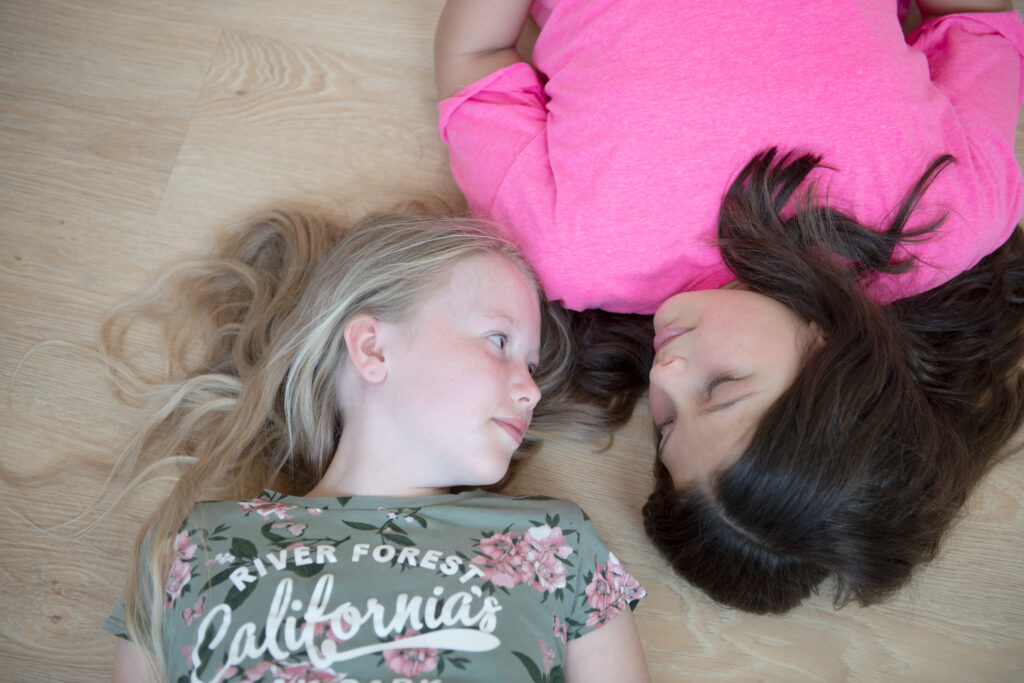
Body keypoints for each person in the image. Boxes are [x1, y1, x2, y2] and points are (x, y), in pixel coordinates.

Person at [433, 0, 1024, 613]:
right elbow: (973, 20)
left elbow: (476, 60)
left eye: (665, 424)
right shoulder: (945, 216)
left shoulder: (571, 249)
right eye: (720, 388)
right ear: (836, 361)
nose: (666, 375)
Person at [101, 210, 650, 682]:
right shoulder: (187, 543)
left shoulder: (555, 544)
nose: (531, 389)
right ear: (372, 347)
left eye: (531, 366)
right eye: (499, 341)